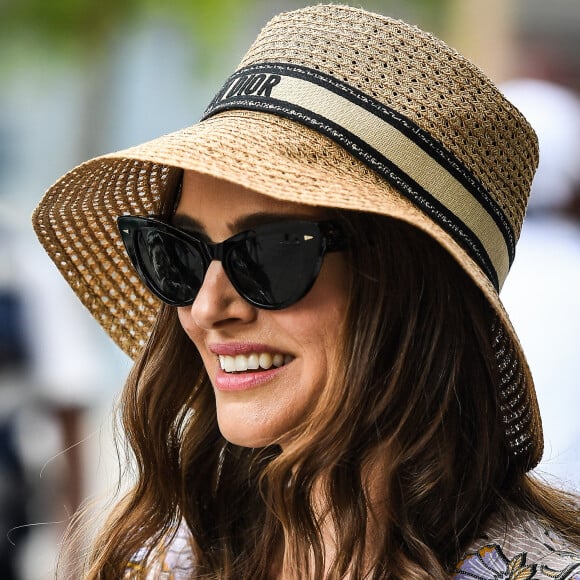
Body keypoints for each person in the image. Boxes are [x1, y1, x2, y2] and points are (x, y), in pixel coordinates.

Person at [31, 5, 580, 579]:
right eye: (177, 254)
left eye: (274, 253)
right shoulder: (167, 562)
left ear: (408, 289)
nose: (205, 306)